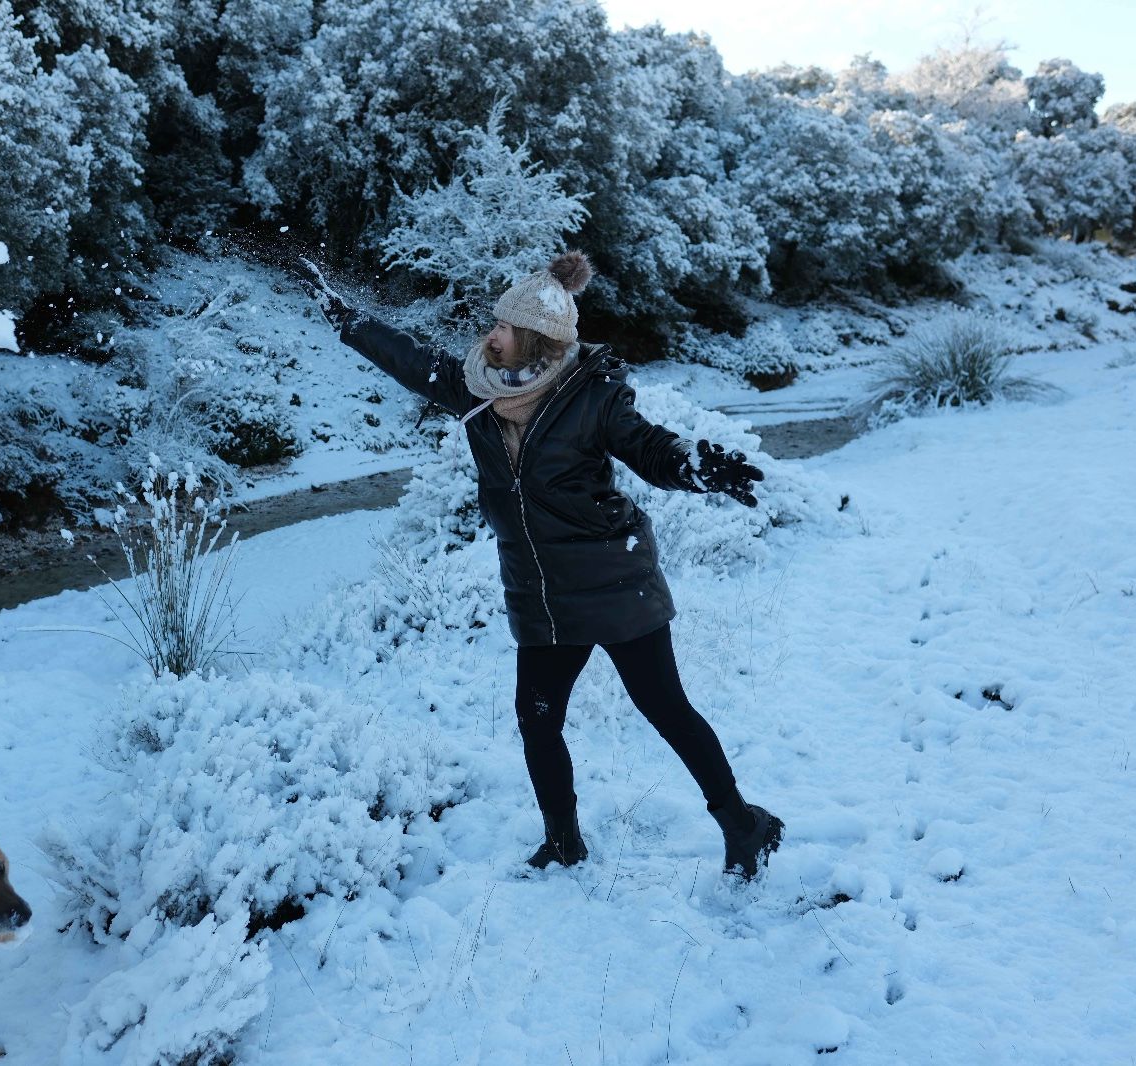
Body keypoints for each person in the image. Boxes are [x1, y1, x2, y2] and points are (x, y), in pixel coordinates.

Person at [295, 249, 784, 880]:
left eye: (503, 328)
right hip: (542, 593)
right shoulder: (475, 388)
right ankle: (563, 841)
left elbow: (648, 447)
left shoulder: (593, 396)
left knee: (665, 708)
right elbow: (409, 361)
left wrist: (693, 465)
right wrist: (344, 318)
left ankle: (743, 824)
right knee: (537, 718)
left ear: (535, 341)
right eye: (493, 324)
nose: (488, 334)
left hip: (613, 581)